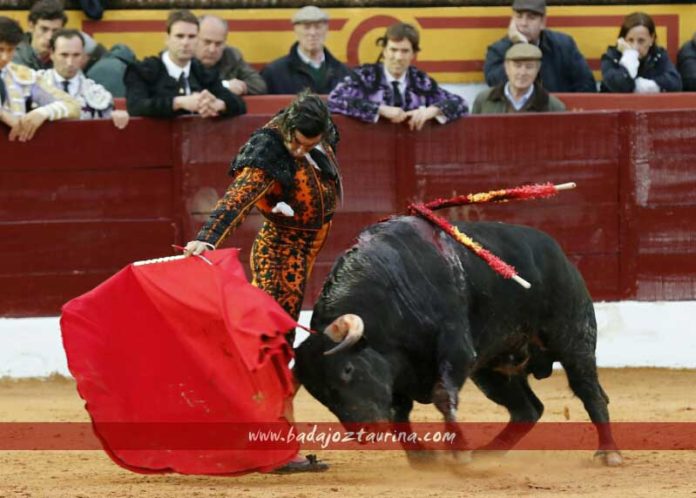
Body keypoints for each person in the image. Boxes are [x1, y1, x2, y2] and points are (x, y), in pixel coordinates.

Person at [184, 92, 339, 473]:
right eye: (299, 143)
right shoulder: (268, 150)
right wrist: (208, 238)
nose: (302, 151)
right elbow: (235, 200)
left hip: (302, 253)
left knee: (273, 345)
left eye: (312, 144)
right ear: (288, 128)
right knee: (273, 348)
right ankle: (272, 446)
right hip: (280, 254)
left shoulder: (320, 130)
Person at [328, 22, 467, 130]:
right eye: (393, 50)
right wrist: (379, 109)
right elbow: (333, 101)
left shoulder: (421, 81)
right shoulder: (365, 76)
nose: (398, 57)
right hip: (369, 151)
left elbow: (461, 104)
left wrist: (432, 111)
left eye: (405, 51)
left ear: (413, 54)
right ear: (384, 51)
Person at [124, 9, 245, 119]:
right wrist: (178, 102)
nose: (185, 42)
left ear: (197, 39)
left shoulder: (203, 72)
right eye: (179, 36)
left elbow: (240, 105)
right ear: (167, 38)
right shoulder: (143, 70)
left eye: (191, 36)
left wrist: (219, 104)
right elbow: (135, 106)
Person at [483, 0, 596, 93]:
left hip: (557, 114)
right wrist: (520, 47)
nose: (523, 23)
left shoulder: (564, 45)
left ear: (543, 22)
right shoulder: (497, 51)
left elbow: (587, 85)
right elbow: (495, 83)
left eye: (531, 18)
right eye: (519, 16)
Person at [0, 16, 80, 142]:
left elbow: (73, 106)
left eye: (10, 50)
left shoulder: (21, 75)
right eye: (0, 49)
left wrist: (43, 112)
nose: (5, 57)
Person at [39, 29, 129, 129]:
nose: (70, 63)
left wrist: (116, 117)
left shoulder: (96, 92)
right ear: (52, 54)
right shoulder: (33, 84)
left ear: (84, 56)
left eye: (76, 55)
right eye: (64, 55)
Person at [261, 5, 349, 95]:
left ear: (326, 30)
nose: (312, 33)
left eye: (318, 27)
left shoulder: (343, 73)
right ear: (295, 30)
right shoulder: (274, 73)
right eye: (306, 27)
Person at [472, 43, 565, 114]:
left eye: (529, 67)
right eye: (517, 66)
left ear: (537, 69)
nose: (522, 72)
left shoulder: (553, 106)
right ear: (506, 67)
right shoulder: (484, 100)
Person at [601, 12, 682, 93]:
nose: (635, 47)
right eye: (630, 40)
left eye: (641, 41)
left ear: (652, 39)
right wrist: (630, 56)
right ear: (623, 40)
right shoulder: (611, 57)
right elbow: (619, 85)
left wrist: (646, 86)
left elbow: (675, 83)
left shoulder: (658, 55)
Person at [195, 15, 266, 96]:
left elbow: (259, 85)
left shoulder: (231, 56)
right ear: (194, 38)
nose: (212, 49)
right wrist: (225, 85)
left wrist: (241, 87)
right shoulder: (185, 57)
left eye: (218, 44)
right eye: (207, 42)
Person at [12, 0, 66, 71]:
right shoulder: (13, 55)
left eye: (55, 31)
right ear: (31, 26)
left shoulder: (68, 55)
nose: (49, 37)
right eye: (44, 29)